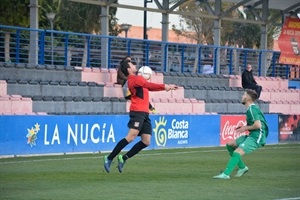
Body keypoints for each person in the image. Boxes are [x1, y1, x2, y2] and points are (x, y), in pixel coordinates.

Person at [104, 60, 178, 173]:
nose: (135, 65)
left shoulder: (139, 79)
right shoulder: (134, 79)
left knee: (146, 141)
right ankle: (109, 158)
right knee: (130, 137)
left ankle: (123, 158)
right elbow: (149, 86)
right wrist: (165, 86)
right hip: (137, 112)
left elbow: (144, 92)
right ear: (129, 69)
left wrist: (150, 107)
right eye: (132, 64)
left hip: (144, 113)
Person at [213, 89, 269, 179]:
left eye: (244, 95)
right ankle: (242, 167)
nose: (242, 97)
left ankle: (226, 174)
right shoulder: (251, 109)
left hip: (257, 136)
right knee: (230, 145)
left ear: (247, 98)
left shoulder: (252, 109)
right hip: (252, 134)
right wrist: (244, 127)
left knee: (237, 152)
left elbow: (258, 125)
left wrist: (245, 128)